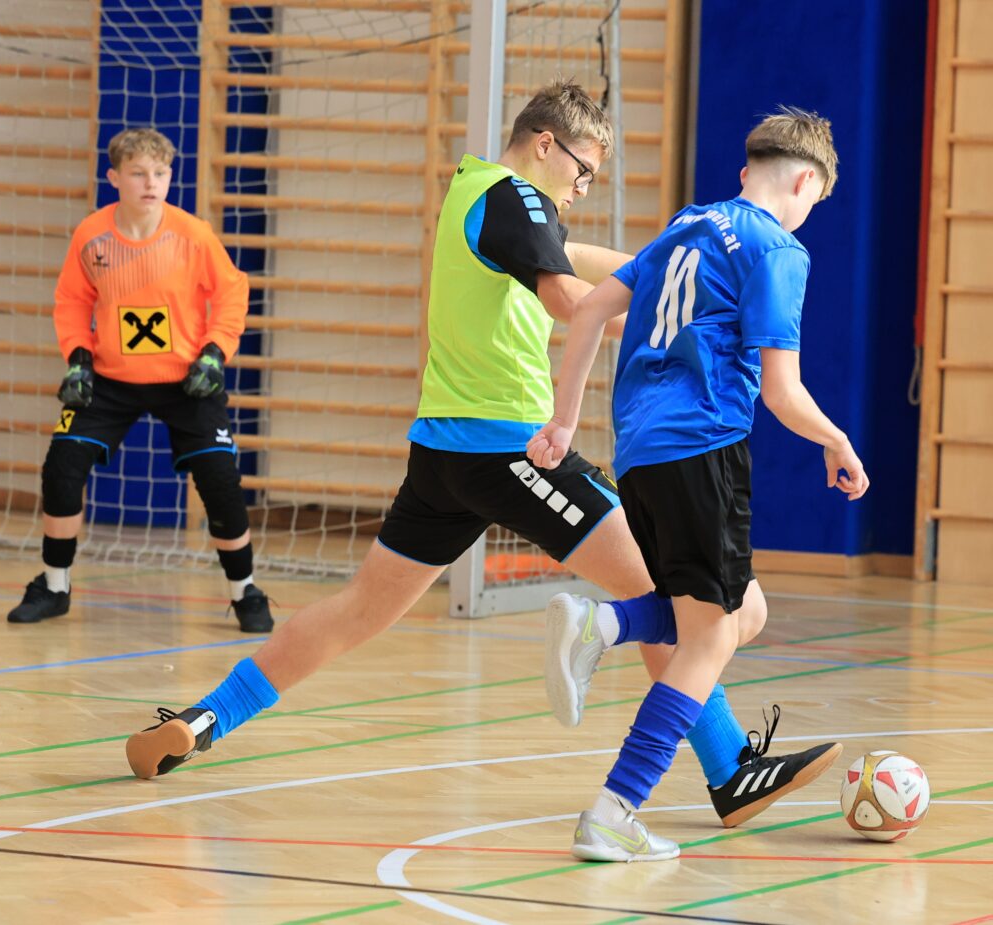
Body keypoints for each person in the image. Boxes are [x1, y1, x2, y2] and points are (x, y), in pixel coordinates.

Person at [123, 83, 833, 834]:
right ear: (545, 144)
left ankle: (208, 716)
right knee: (666, 593)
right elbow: (572, 301)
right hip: (510, 449)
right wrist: (684, 309)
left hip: (442, 451)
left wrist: (682, 267)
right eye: (583, 170)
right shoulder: (516, 198)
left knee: (358, 610)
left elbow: (591, 258)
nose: (583, 188)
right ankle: (728, 768)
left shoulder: (475, 192)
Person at [526, 106, 865, 862]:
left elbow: (589, 312)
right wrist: (836, 439)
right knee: (710, 636)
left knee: (743, 610)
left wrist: (564, 421)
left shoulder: (686, 225)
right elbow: (781, 391)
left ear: (747, 172)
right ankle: (615, 808)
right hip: (704, 446)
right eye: (815, 201)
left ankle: (605, 625)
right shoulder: (778, 249)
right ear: (804, 183)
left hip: (640, 452)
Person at [6, 127, 273, 634]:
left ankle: (246, 592)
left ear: (170, 177)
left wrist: (215, 353)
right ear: (114, 178)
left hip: (187, 379)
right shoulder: (92, 235)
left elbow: (233, 293)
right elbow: (72, 301)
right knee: (62, 467)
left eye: (160, 173)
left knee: (219, 480)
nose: (151, 183)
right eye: (138, 173)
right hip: (110, 378)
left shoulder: (193, 235)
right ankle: (55, 586)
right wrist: (78, 357)